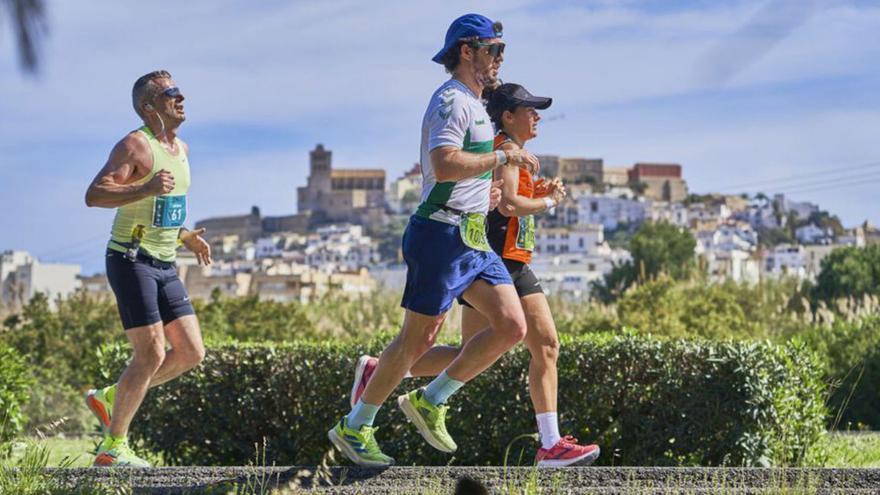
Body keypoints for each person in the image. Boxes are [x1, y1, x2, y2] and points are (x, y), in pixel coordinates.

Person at [328, 14, 540, 467]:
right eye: (493, 50)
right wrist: (503, 155)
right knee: (417, 340)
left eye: (501, 50)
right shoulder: (451, 101)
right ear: (467, 51)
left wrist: (488, 194)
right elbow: (444, 164)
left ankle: (431, 398)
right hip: (440, 234)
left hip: (471, 235)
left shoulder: (474, 106)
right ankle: (355, 425)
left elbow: (461, 173)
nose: (500, 59)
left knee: (512, 326)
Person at [350, 83, 601, 467]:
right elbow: (510, 204)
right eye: (529, 110)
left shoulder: (511, 153)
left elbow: (508, 200)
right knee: (498, 348)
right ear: (507, 116)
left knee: (529, 346)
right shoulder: (501, 150)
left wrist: (540, 189)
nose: (537, 117)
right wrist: (550, 201)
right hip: (488, 259)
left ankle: (549, 443)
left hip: (511, 262)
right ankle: (387, 376)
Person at [83, 70, 211, 467]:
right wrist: (144, 187)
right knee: (151, 353)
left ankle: (111, 397)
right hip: (130, 259)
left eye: (179, 90)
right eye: (172, 93)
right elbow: (95, 194)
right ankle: (113, 446)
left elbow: (164, 210)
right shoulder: (135, 146)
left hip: (165, 261)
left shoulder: (182, 149)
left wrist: (185, 235)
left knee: (191, 352)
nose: (181, 97)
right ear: (148, 107)